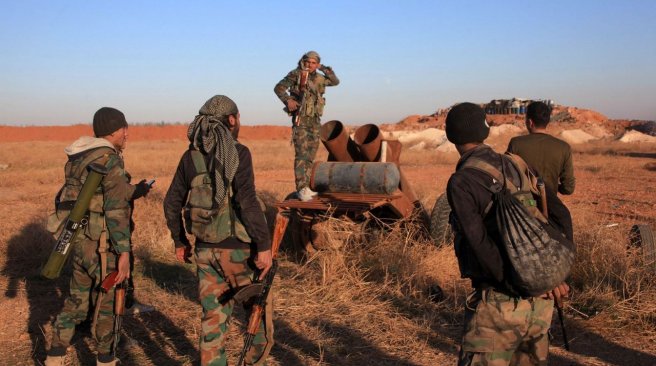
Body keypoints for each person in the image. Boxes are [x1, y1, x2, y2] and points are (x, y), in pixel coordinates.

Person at [445, 103, 571, 365]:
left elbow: (478, 242)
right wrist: (554, 274)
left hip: (498, 310)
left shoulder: (462, 181)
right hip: (539, 307)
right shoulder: (517, 164)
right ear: (486, 131)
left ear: (450, 136)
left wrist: (516, 283)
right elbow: (561, 216)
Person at [163, 95, 273, 366]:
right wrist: (263, 245)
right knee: (257, 313)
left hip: (205, 251)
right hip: (239, 254)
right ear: (232, 120)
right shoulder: (239, 152)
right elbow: (246, 200)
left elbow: (171, 202)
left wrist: (180, 241)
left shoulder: (190, 157)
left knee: (213, 319)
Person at [45, 107, 152, 366]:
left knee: (77, 298)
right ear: (115, 130)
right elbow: (114, 209)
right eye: (124, 128)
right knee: (107, 301)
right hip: (102, 244)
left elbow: (96, 195)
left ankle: (55, 355)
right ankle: (106, 358)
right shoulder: (110, 159)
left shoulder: (79, 156)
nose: (127, 133)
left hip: (78, 239)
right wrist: (124, 253)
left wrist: (134, 190)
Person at [274, 51, 340, 201]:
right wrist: (288, 101)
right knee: (302, 155)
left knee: (310, 154)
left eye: (313, 63)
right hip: (301, 120)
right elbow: (278, 88)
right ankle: (301, 188)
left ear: (317, 64)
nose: (310, 65)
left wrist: (323, 68)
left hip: (315, 121)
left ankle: (307, 187)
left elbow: (335, 81)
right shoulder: (296, 74)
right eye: (307, 62)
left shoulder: (320, 78)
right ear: (303, 62)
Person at [507, 101, 575, 195]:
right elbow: (568, 188)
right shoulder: (564, 147)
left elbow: (508, 178)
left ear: (530, 122)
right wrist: (553, 187)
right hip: (550, 204)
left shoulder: (516, 143)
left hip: (523, 204)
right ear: (547, 121)